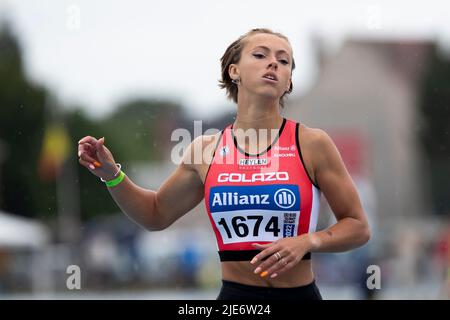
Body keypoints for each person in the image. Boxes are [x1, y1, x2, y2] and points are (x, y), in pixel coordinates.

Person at [78, 28, 371, 300]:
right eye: (260, 55)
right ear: (234, 71)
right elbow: (154, 215)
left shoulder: (312, 143)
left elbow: (358, 226)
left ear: (288, 82)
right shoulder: (205, 151)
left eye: (284, 61)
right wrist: (111, 175)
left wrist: (307, 241)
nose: (273, 64)